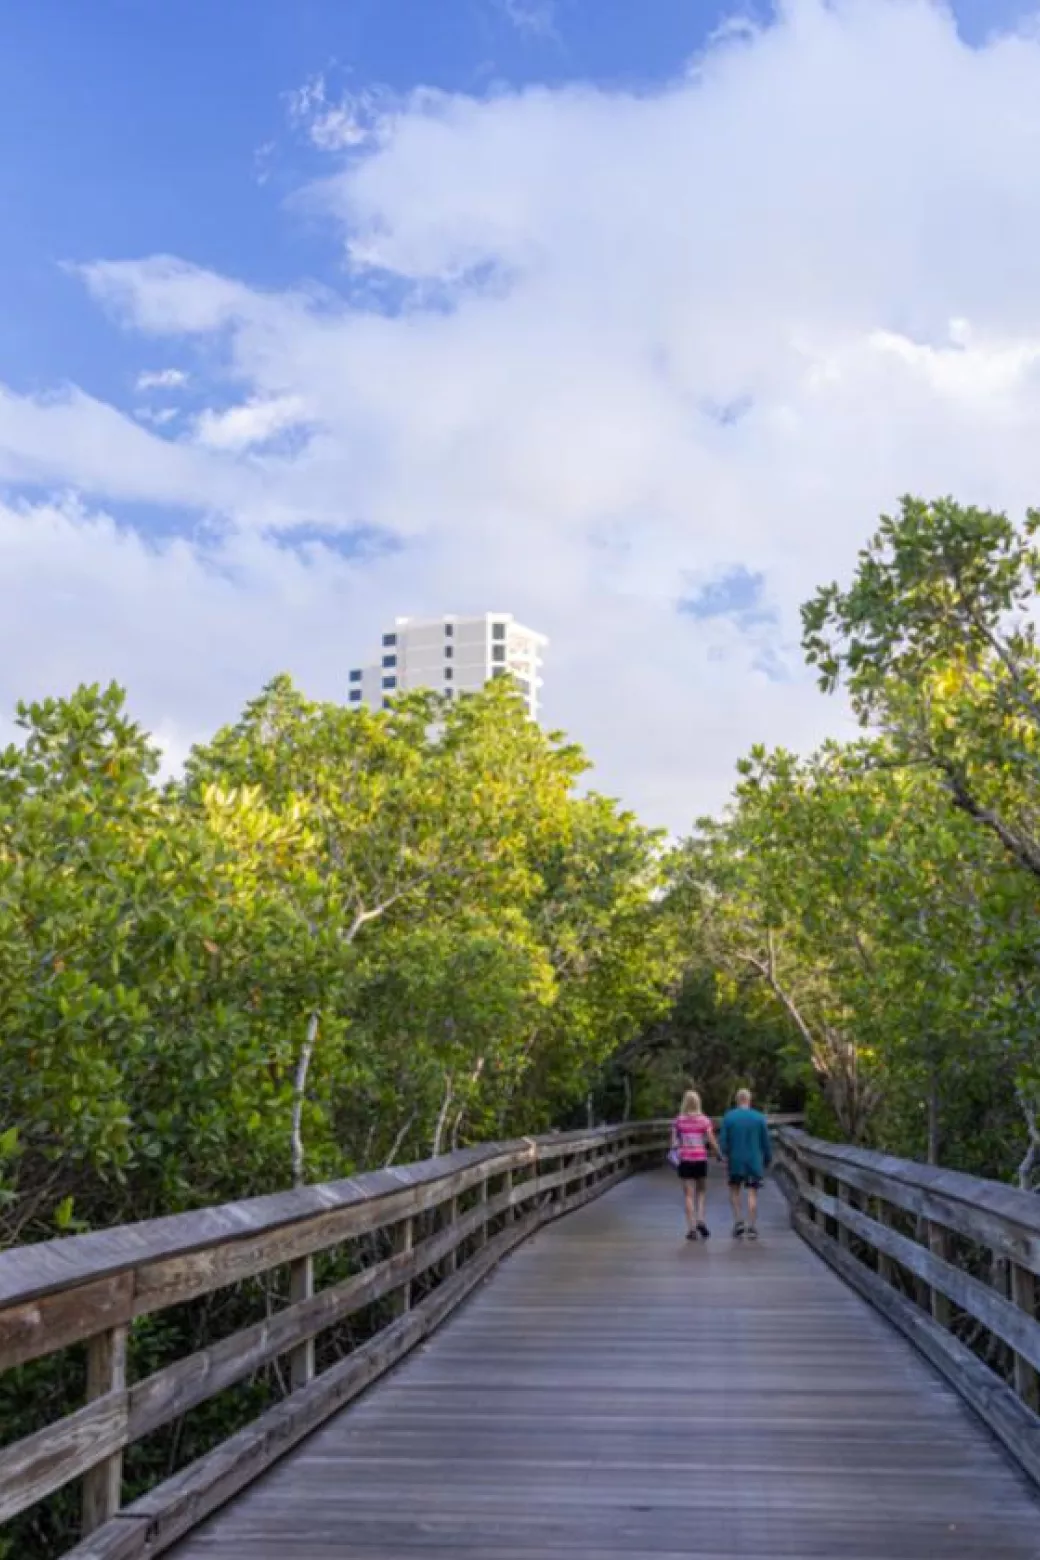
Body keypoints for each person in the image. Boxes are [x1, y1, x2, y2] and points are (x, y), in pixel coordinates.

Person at [719, 1088, 772, 1241]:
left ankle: (738, 1222)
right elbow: (765, 1142)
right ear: (749, 1100)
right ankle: (752, 1226)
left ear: (737, 1100)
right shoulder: (759, 1118)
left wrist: (722, 1155)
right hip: (754, 1162)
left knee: (735, 1191)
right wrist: (768, 1158)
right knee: (752, 1193)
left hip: (735, 1161)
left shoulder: (729, 1117)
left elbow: (723, 1140)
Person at [671, 1089, 721, 1241]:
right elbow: (711, 1139)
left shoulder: (678, 1121)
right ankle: (700, 1219)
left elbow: (673, 1143)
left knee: (688, 1195)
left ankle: (691, 1228)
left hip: (685, 1159)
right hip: (700, 1159)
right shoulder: (704, 1120)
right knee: (702, 1192)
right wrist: (719, 1152)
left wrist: (677, 1148)